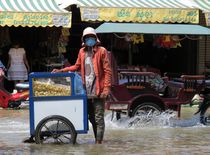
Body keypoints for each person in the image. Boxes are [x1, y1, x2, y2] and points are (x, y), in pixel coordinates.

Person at [52, 27, 112, 144]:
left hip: (99, 90)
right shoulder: (82, 52)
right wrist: (62, 70)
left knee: (99, 118)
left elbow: (107, 71)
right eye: (87, 37)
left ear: (95, 38)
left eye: (92, 37)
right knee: (91, 117)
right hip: (87, 90)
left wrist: (106, 89)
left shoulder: (102, 51)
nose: (90, 39)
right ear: (84, 39)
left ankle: (98, 142)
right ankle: (97, 140)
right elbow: (76, 66)